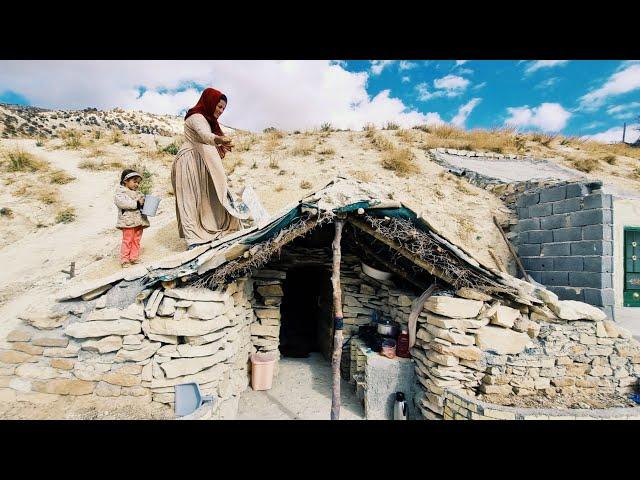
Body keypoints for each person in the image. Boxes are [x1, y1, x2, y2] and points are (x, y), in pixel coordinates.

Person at [171, 88, 249, 250]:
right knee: (190, 200)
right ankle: (193, 239)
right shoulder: (196, 117)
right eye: (219, 106)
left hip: (202, 161)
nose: (220, 111)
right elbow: (204, 135)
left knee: (209, 197)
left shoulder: (210, 121)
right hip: (189, 161)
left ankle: (212, 231)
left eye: (223, 109)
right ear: (210, 101)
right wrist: (219, 139)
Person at [114, 169, 150, 267]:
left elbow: (143, 204)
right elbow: (123, 203)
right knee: (128, 240)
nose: (137, 184)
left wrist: (145, 202)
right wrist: (137, 203)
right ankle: (124, 259)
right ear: (125, 181)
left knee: (136, 239)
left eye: (138, 183)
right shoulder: (120, 193)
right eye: (134, 182)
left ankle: (134, 257)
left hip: (138, 221)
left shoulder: (138, 193)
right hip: (128, 221)